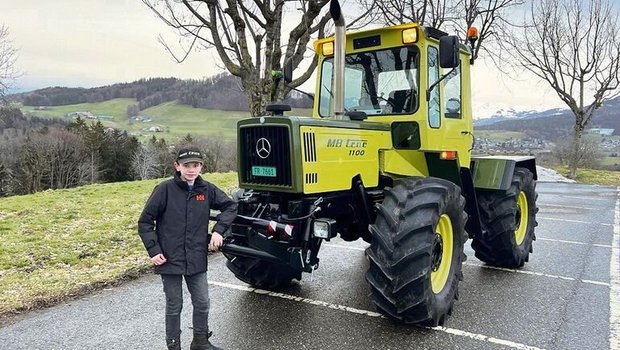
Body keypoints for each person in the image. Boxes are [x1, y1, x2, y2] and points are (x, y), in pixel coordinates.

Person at [138, 146, 237, 350]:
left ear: (201, 166)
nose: (191, 169)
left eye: (195, 165)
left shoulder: (207, 189)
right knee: (174, 306)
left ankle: (200, 342)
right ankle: (174, 346)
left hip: (196, 256)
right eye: (186, 165)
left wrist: (219, 231)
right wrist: (154, 251)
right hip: (169, 257)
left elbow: (230, 206)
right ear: (177, 166)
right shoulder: (164, 189)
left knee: (202, 302)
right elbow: (145, 222)